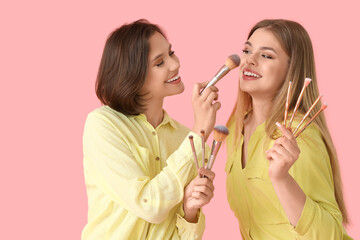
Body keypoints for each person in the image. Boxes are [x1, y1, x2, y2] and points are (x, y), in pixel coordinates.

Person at [82, 19, 220, 240]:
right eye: (159, 63)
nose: (175, 64)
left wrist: (190, 211)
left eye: (171, 53)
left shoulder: (185, 138)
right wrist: (200, 130)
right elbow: (149, 205)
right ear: (132, 75)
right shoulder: (103, 125)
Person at [225, 19, 352, 239]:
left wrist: (282, 179)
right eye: (247, 50)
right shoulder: (235, 127)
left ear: (291, 69)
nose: (249, 61)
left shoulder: (299, 136)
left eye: (266, 55)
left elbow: (329, 234)